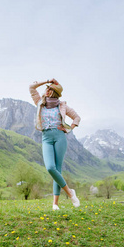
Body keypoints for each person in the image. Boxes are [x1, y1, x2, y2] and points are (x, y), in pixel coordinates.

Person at [29, 78, 81, 210]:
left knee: (57, 169)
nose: (46, 91)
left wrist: (69, 129)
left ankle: (55, 204)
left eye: (49, 89)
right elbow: (31, 88)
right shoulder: (40, 102)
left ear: (54, 93)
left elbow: (77, 118)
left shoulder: (62, 105)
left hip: (59, 137)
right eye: (46, 89)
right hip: (46, 137)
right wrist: (47, 81)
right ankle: (70, 193)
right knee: (50, 168)